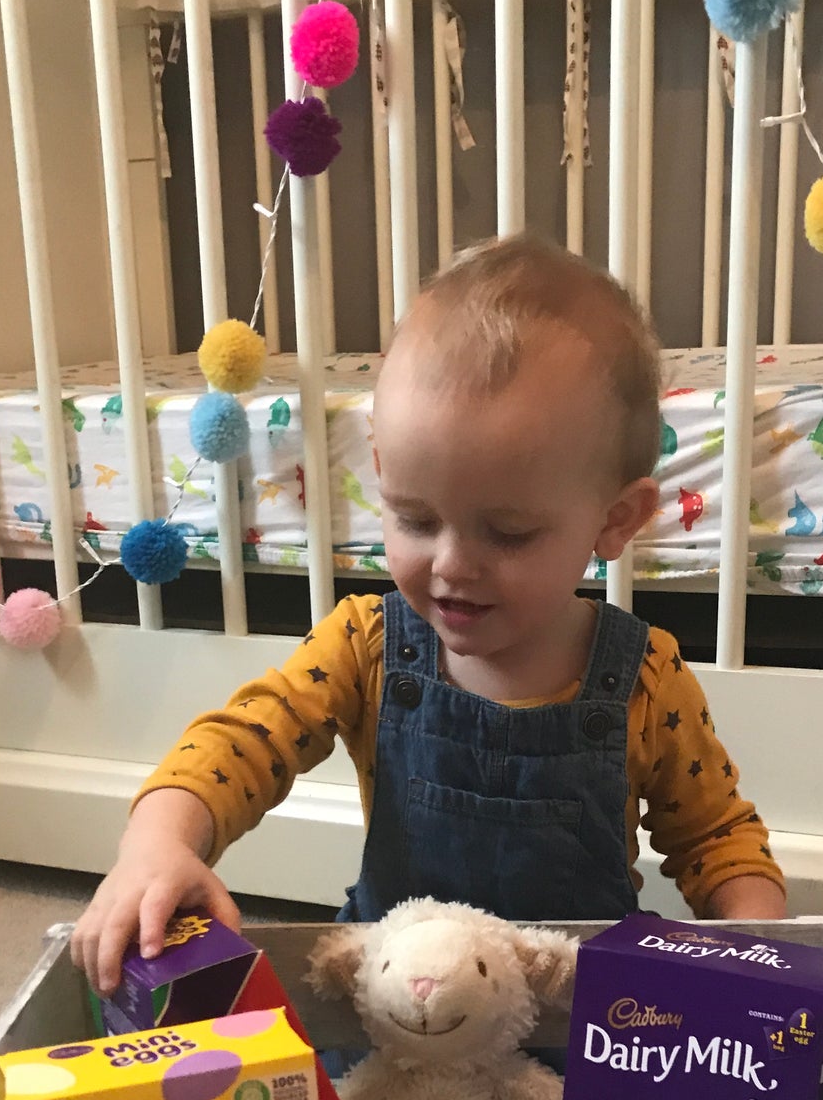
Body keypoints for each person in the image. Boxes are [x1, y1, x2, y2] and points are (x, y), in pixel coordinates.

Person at [73, 234, 785, 998]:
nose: (450, 563)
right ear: (381, 471)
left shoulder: (644, 677)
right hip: (396, 1007)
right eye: (413, 518)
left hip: (577, 1011)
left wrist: (760, 948)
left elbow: (716, 836)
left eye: (507, 533)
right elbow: (243, 741)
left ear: (615, 520)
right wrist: (158, 841)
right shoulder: (364, 644)